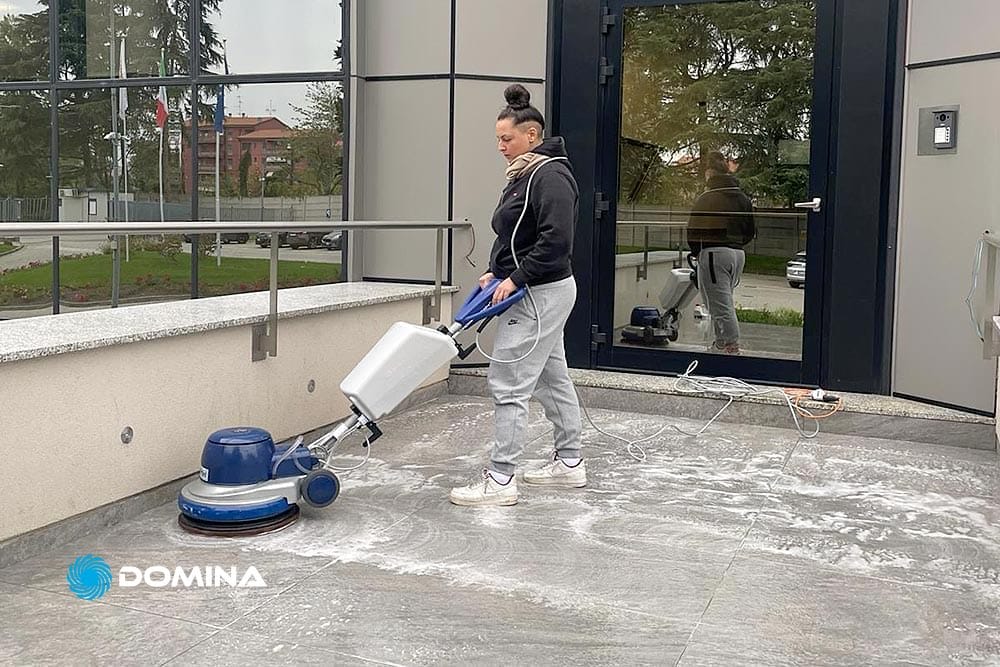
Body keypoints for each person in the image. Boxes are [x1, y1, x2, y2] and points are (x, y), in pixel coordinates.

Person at [449, 84, 585, 507]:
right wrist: (497, 271)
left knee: (508, 383)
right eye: (497, 140)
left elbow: (555, 241)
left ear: (532, 134)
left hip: (539, 294)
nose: (501, 147)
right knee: (550, 377)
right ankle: (570, 463)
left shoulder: (551, 176)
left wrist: (517, 278)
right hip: (536, 290)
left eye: (506, 139)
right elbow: (515, 234)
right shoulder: (526, 174)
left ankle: (501, 480)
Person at [686, 151, 755, 355]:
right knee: (721, 299)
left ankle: (731, 346)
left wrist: (696, 252)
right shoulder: (742, 198)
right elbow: (750, 230)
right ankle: (721, 343)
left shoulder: (707, 198)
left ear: (709, 173)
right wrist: (737, 243)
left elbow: (693, 228)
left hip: (714, 253)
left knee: (719, 303)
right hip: (737, 253)